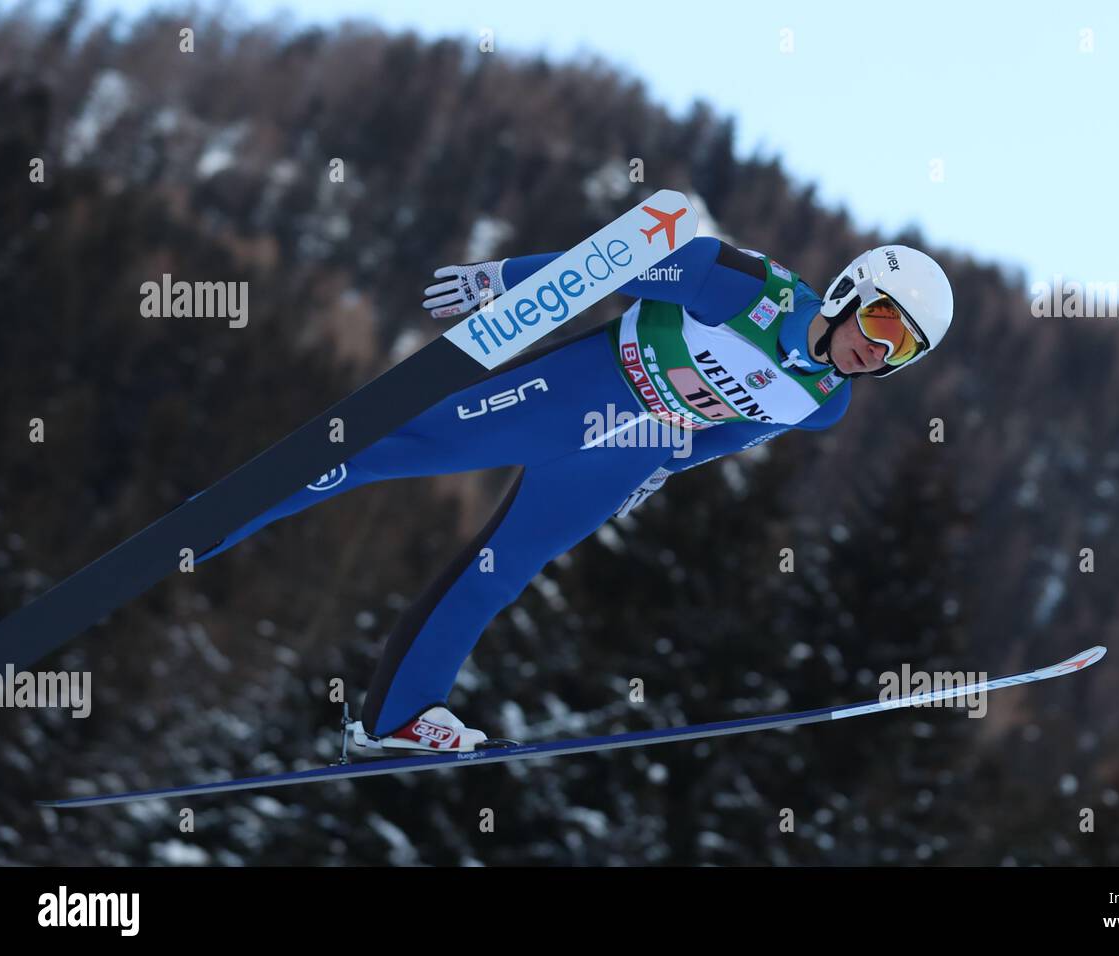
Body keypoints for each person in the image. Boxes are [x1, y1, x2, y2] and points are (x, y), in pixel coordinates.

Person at [202, 238, 954, 752]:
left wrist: (665, 467)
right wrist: (503, 284)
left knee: (505, 566)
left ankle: (398, 714)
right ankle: (216, 524)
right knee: (395, 447)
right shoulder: (745, 286)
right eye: (883, 321)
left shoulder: (824, 402)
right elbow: (611, 267)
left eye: (904, 348)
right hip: (581, 388)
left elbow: (732, 430)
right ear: (855, 290)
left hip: (630, 450)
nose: (879, 350)